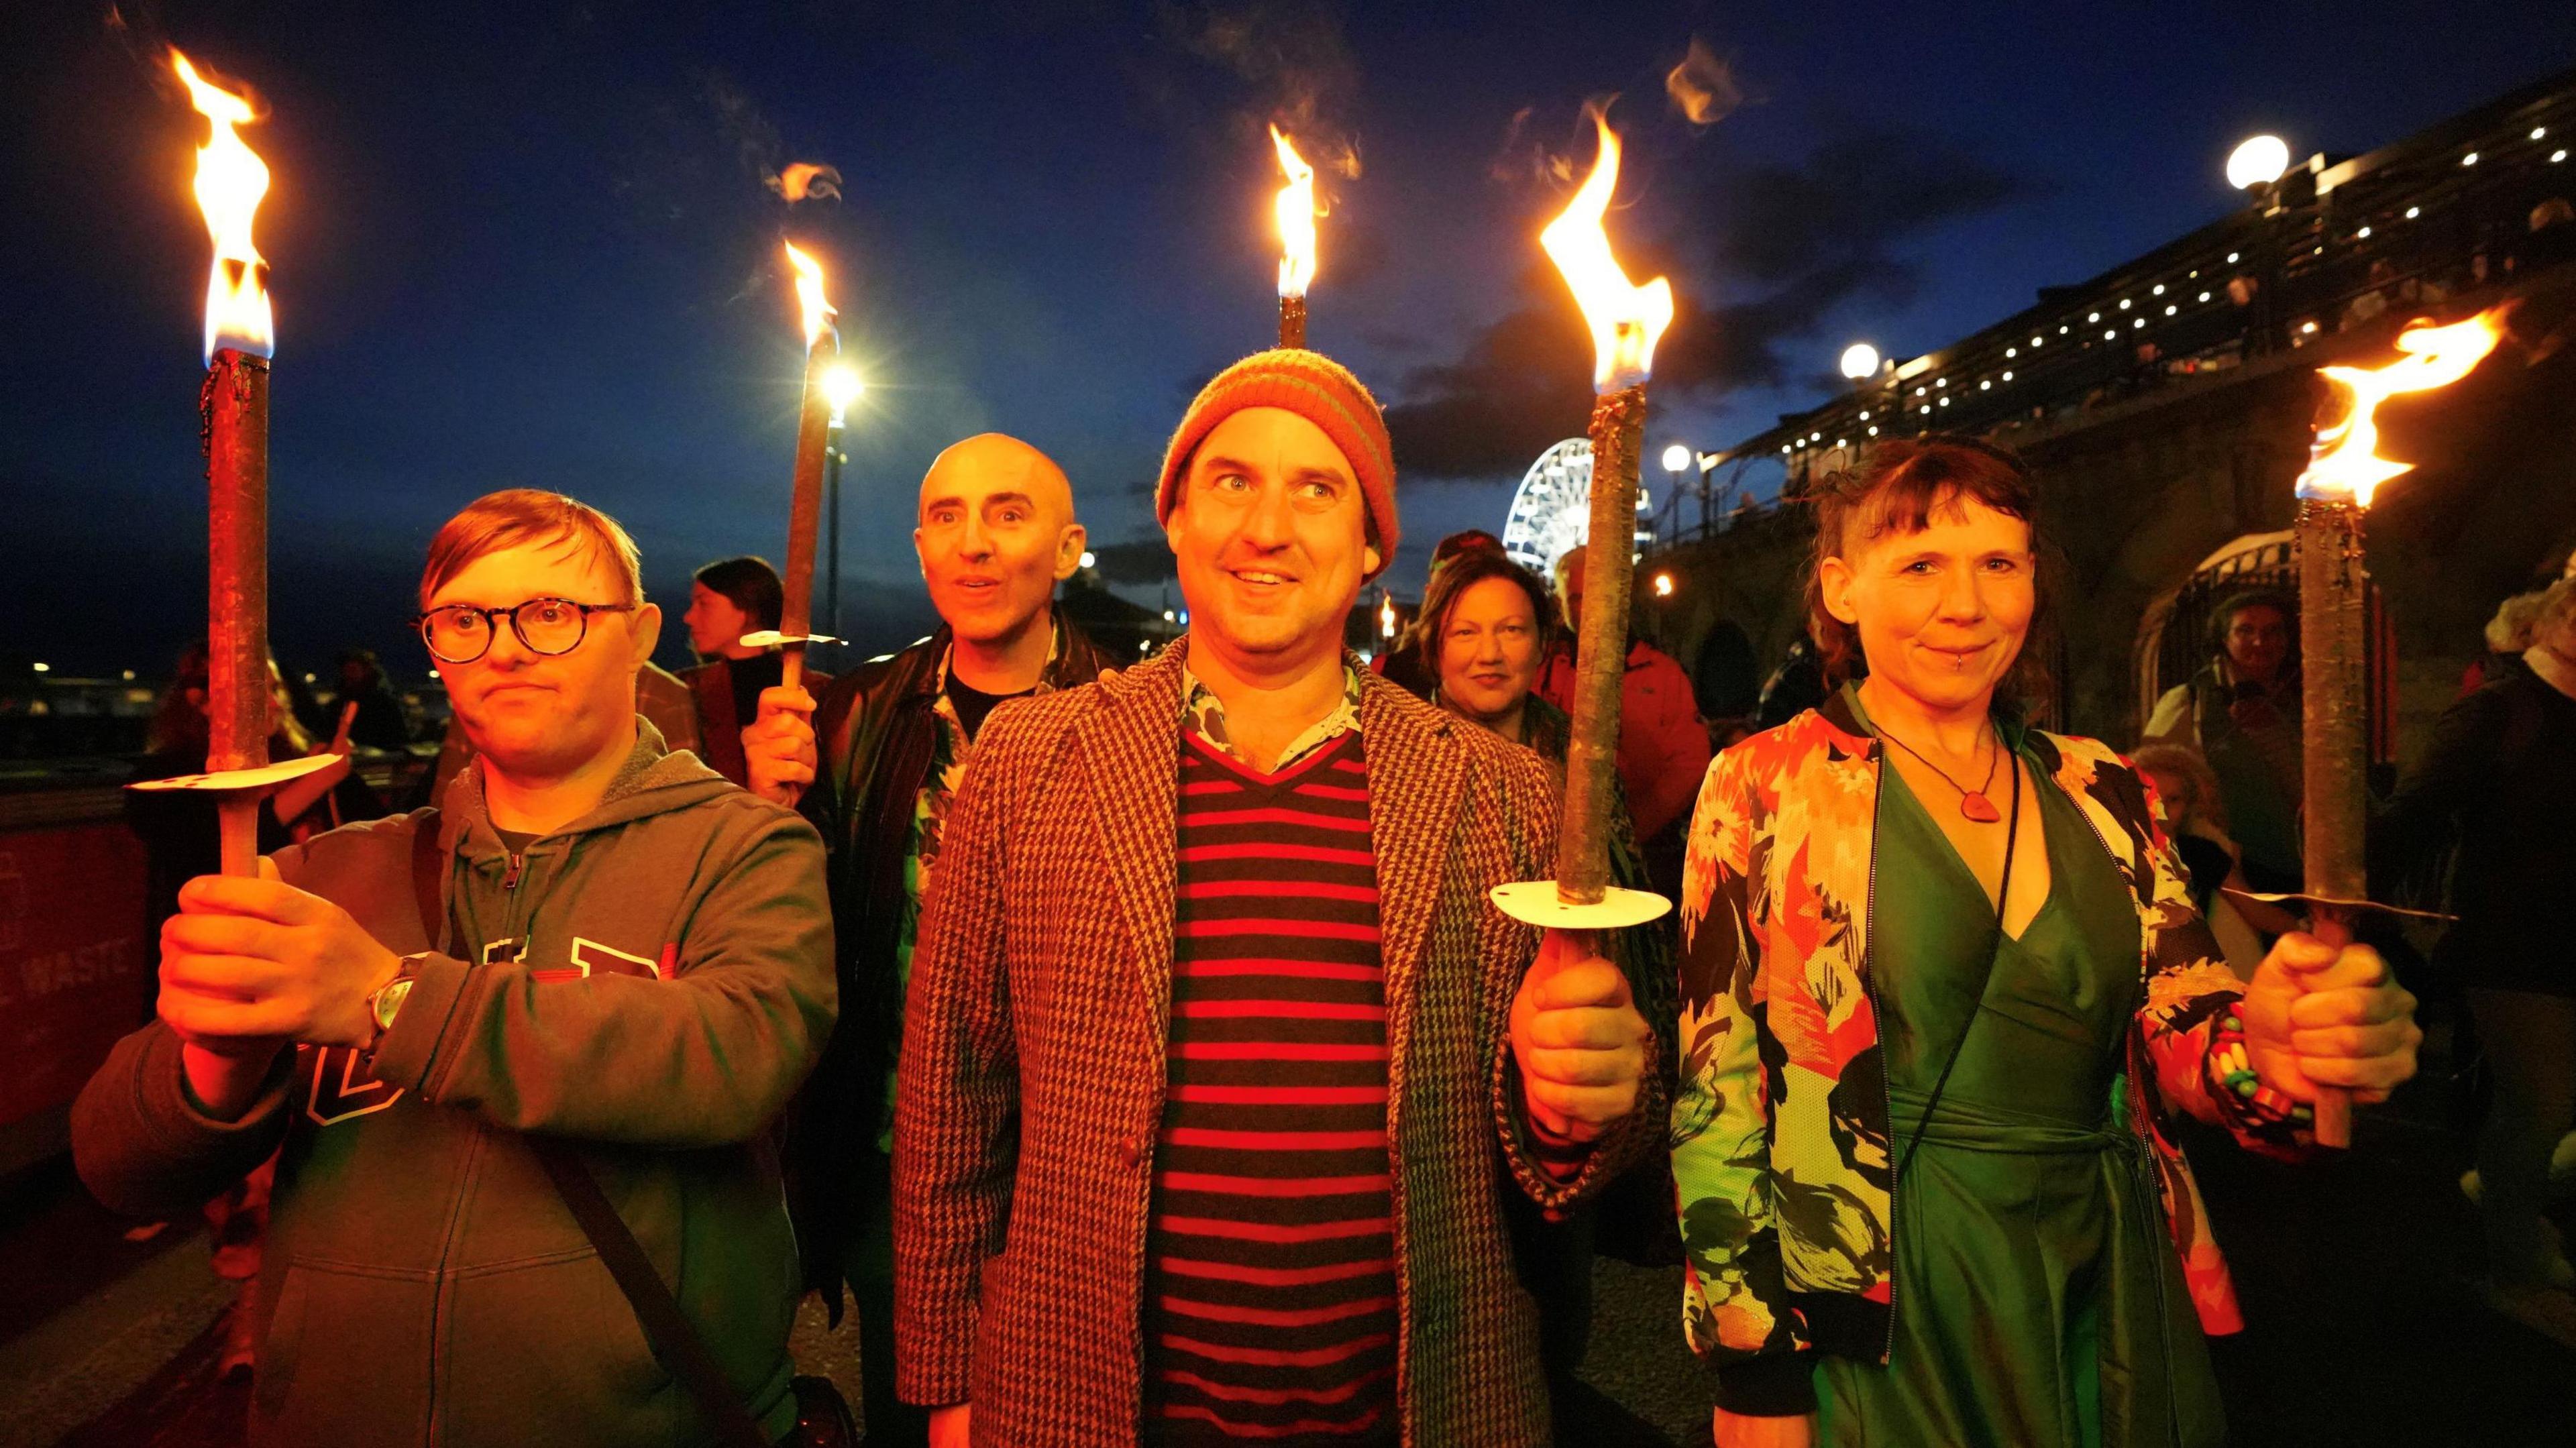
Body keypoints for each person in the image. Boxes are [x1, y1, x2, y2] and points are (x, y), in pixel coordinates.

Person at [893, 350, 1657, 1446]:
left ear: (1371, 542)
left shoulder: (1499, 789)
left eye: (1317, 487)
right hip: (1084, 1396)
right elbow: (951, 1098)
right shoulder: (1030, 757)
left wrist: (1577, 1097)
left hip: (1414, 1401)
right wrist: (947, 1384)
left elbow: (1576, 1140)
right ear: (1176, 517)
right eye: (1233, 481)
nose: (1267, 527)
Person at [1676, 438, 2419, 1448]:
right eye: (1922, 564)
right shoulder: (1765, 782)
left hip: (2108, 1266)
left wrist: (2278, 1054)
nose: (1966, 604)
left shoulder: (2105, 786)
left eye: (1999, 563)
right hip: (1886, 1285)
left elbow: (2187, 1018)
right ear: (1844, 589)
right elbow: (1716, 1088)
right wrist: (1753, 1365)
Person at [73, 488, 837, 1446]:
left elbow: (736, 1055)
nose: (505, 647)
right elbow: (118, 1165)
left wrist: (389, 997)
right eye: (466, 619)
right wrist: (212, 1066)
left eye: (552, 612)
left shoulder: (746, 849)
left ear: (640, 634)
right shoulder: (333, 872)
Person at [740, 433, 1106, 1448]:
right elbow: (789, 932)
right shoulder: (853, 712)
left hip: (1071, 1167)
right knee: (916, 1408)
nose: (976, 544)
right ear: (919, 546)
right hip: (895, 1158)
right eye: (948, 516)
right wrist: (767, 810)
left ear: (1068, 546)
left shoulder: (1124, 715)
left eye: (1008, 513)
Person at [1415, 547, 1681, 1425]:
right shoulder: (1397, 763)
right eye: (1467, 630)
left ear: (1544, 646)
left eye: (1512, 628)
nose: (1490, 650)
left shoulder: (1582, 761)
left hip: (1565, 1075)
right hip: (1443, 1078)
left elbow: (1630, 906)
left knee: (1555, 1295)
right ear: (1434, 644)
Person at [2375, 575, 2576, 1300]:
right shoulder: (2500, 710)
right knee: (2542, 1102)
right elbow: (2417, 809)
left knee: (2546, 1116)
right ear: (2549, 618)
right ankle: (2516, 1253)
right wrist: (2351, 901)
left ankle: (2504, 1182)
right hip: (2513, 944)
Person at [1536, 542, 1713, 893]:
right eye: (1577, 598)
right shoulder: (1542, 674)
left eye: (1599, 593)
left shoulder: (1663, 675)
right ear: (1560, 606)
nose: (1591, 608)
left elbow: (1691, 763)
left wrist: (1631, 827)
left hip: (1648, 858)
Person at [2145, 588, 2303, 893]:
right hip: (2227, 871)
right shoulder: (2190, 702)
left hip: (2298, 860)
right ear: (2224, 639)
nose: (2260, 642)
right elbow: (2155, 776)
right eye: (2245, 631)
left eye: (2272, 632)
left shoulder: (2300, 700)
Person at [680, 555, 830, 789]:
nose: (689, 617)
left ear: (748, 612)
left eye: (704, 603)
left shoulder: (822, 694)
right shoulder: (683, 691)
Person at [1371, 527, 1505, 700]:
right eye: (1453, 585)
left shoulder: (1537, 671)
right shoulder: (1389, 674)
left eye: (1482, 582)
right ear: (1431, 593)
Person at [329, 647, 413, 750]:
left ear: (367, 671)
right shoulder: (337, 705)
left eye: (353, 670)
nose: (349, 675)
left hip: (377, 762)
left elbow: (398, 738)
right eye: (346, 670)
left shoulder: (384, 704)